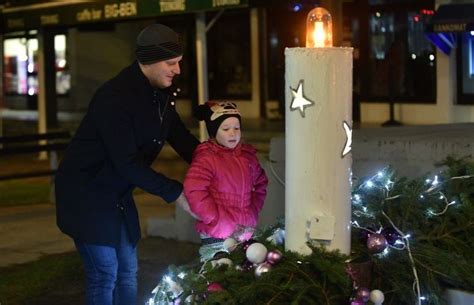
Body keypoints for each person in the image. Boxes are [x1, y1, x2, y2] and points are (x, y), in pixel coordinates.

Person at [54, 24, 200, 305]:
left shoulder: (161, 94)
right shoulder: (115, 97)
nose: (177, 70)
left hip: (116, 195)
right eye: (171, 63)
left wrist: (215, 161)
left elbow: (180, 136)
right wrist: (176, 193)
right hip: (86, 196)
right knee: (105, 272)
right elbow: (127, 163)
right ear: (149, 61)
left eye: (179, 63)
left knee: (128, 270)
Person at [183, 102, 268, 261]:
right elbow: (194, 189)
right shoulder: (207, 158)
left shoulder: (247, 157)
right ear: (214, 132)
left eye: (236, 128)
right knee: (216, 274)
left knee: (241, 276)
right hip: (217, 233)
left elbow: (261, 184)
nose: (232, 133)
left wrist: (253, 211)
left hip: (244, 232)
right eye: (226, 129)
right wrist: (214, 218)